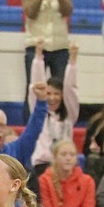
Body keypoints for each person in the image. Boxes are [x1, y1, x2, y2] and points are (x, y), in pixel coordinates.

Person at [21, 0, 73, 90]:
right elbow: (31, 13)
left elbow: (67, 11)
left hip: (59, 47)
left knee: (60, 89)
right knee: (34, 88)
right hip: (36, 46)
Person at [28, 42, 80, 175]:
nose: (52, 98)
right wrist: (38, 57)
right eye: (48, 93)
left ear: (62, 96)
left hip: (66, 167)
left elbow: (71, 88)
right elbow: (36, 84)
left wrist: (72, 61)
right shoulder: (38, 113)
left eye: (56, 94)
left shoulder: (69, 115)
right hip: (42, 165)